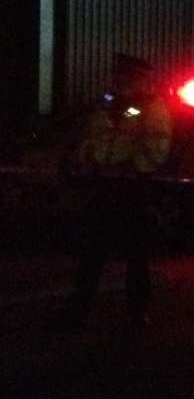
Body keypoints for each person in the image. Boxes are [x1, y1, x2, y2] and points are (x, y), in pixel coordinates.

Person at [61, 53, 173, 332]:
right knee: (92, 251)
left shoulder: (152, 106)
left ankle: (137, 315)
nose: (122, 81)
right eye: (119, 76)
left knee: (136, 255)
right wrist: (87, 156)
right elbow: (92, 136)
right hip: (104, 184)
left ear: (141, 79)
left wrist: (135, 163)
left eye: (129, 76)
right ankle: (78, 312)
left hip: (132, 186)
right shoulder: (106, 104)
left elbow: (157, 145)